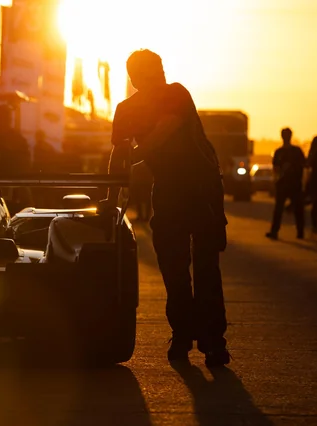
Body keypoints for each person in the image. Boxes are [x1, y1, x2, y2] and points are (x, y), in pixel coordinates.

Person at [108, 49, 230, 366]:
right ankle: (183, 334)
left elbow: (167, 128)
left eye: (159, 68)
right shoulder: (127, 109)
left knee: (205, 267)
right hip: (169, 189)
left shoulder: (176, 94)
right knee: (174, 267)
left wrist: (135, 157)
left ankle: (213, 341)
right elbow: (118, 155)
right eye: (153, 70)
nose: (160, 74)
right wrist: (110, 199)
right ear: (136, 78)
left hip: (202, 186)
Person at [266, 128, 305, 240]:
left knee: (297, 209)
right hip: (284, 184)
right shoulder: (280, 152)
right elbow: (276, 169)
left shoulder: (294, 151)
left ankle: (299, 232)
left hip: (293, 184)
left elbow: (302, 165)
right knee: (280, 209)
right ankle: (276, 232)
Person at [307, 136, 317, 233]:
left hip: (315, 182)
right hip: (316, 182)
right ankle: (315, 225)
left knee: (315, 205)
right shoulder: (315, 154)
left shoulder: (314, 154)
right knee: (316, 205)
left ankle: (315, 225)